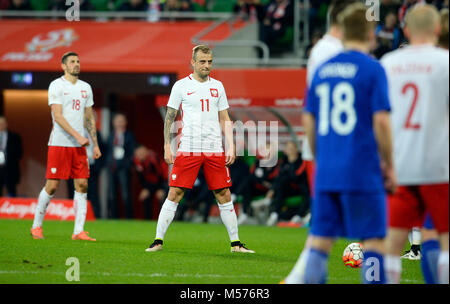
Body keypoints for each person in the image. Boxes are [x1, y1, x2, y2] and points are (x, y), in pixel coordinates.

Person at [290, 3, 396, 284]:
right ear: (371, 32)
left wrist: (322, 156)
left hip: (327, 171)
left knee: (319, 243)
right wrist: (389, 163)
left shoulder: (322, 68)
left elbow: (309, 120)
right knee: (373, 242)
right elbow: (382, 122)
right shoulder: (373, 69)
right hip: (361, 169)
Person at [146, 45, 255, 253]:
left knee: (224, 194)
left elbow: (225, 118)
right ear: (193, 62)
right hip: (189, 147)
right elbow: (169, 118)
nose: (207, 65)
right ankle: (158, 240)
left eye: (210, 62)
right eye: (203, 61)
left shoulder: (218, 86)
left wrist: (231, 146)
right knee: (175, 192)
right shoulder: (180, 86)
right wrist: (167, 145)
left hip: (214, 148)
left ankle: (236, 244)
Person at [284, 0, 352, 284]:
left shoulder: (325, 50)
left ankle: (301, 276)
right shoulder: (330, 51)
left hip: (328, 147)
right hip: (329, 148)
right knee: (325, 220)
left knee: (327, 220)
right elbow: (316, 104)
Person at [381, 4, 449, 284]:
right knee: (444, 240)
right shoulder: (445, 62)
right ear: (437, 29)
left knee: (389, 247)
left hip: (401, 166)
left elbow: (379, 119)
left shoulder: (387, 63)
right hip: (439, 166)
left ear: (406, 30)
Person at [30, 52, 101, 241]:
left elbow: (89, 118)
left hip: (80, 146)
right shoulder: (56, 85)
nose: (76, 64)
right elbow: (58, 116)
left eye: (78, 61)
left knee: (82, 184)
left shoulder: (86, 88)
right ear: (63, 66)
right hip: (60, 143)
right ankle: (36, 226)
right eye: (72, 62)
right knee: (52, 186)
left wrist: (95, 144)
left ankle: (78, 231)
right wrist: (78, 136)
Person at [266, 140, 310, 227]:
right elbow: (279, 177)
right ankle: (275, 214)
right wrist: (272, 190)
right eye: (289, 148)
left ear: (297, 150)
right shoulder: (284, 162)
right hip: (289, 189)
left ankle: (299, 216)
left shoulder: (302, 161)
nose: (291, 150)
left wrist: (292, 164)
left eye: (292, 148)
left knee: (308, 192)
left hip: (300, 188)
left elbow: (296, 176)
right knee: (279, 188)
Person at [105, 113, 136, 219]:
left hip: (123, 168)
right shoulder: (110, 135)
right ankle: (113, 217)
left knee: (125, 194)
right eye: (117, 121)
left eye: (121, 121)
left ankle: (128, 218)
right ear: (114, 123)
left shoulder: (129, 135)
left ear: (125, 123)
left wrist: (127, 164)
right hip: (111, 167)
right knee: (111, 194)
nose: (119, 123)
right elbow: (107, 150)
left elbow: (132, 152)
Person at [134, 144, 166, 220]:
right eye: (138, 154)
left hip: (163, 183)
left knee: (162, 198)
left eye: (141, 153)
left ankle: (163, 220)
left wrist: (161, 189)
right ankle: (148, 221)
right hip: (150, 185)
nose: (139, 156)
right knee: (145, 197)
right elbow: (142, 179)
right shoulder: (137, 162)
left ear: (146, 152)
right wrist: (146, 189)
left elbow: (161, 175)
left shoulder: (153, 159)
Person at [0, 116, 23, 197]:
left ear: (6, 124)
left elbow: (19, 153)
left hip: (10, 169)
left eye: (3, 123)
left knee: (11, 191)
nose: (1, 125)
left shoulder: (14, 136)